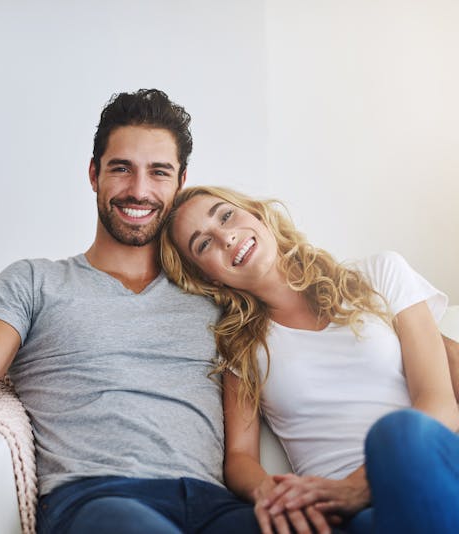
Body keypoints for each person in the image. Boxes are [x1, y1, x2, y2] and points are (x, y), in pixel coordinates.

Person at [0, 90, 261, 533]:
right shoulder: (35, 282)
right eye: (121, 168)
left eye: (158, 172)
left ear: (179, 182)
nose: (139, 190)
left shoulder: (214, 291)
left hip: (212, 505)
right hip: (99, 501)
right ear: (94, 174)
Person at [160, 185, 459, 534]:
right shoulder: (239, 348)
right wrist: (271, 493)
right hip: (345, 513)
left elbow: (439, 403)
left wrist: (358, 487)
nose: (225, 237)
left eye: (226, 216)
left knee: (396, 433)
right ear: (207, 276)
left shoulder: (381, 274)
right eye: (204, 244)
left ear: (256, 213)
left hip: (427, 466)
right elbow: (241, 458)